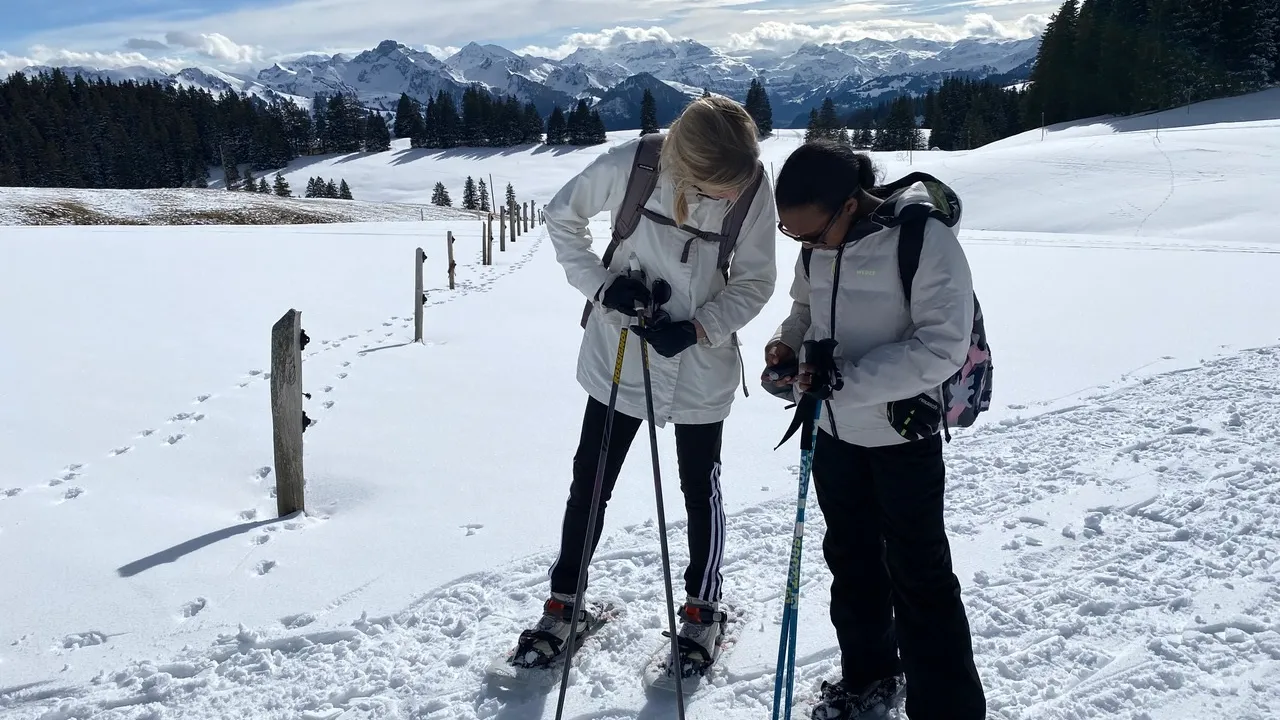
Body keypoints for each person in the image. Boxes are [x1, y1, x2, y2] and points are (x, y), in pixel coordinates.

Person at [515, 96, 778, 675]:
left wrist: (701, 326)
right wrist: (604, 287)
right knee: (592, 479)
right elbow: (562, 217)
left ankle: (703, 610)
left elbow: (757, 280)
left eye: (735, 187)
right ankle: (564, 602)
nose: (730, 198)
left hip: (701, 367)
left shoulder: (753, 184)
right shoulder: (636, 166)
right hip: (620, 351)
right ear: (688, 167)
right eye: (716, 189)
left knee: (699, 489)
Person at [762, 140, 986, 720]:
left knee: (919, 574)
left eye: (811, 234)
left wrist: (844, 381)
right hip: (833, 431)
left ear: (849, 204)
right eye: (794, 237)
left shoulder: (922, 239)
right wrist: (788, 342)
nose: (805, 246)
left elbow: (942, 347)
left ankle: (947, 708)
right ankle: (868, 678)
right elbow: (805, 305)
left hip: (901, 435)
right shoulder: (817, 242)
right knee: (853, 562)